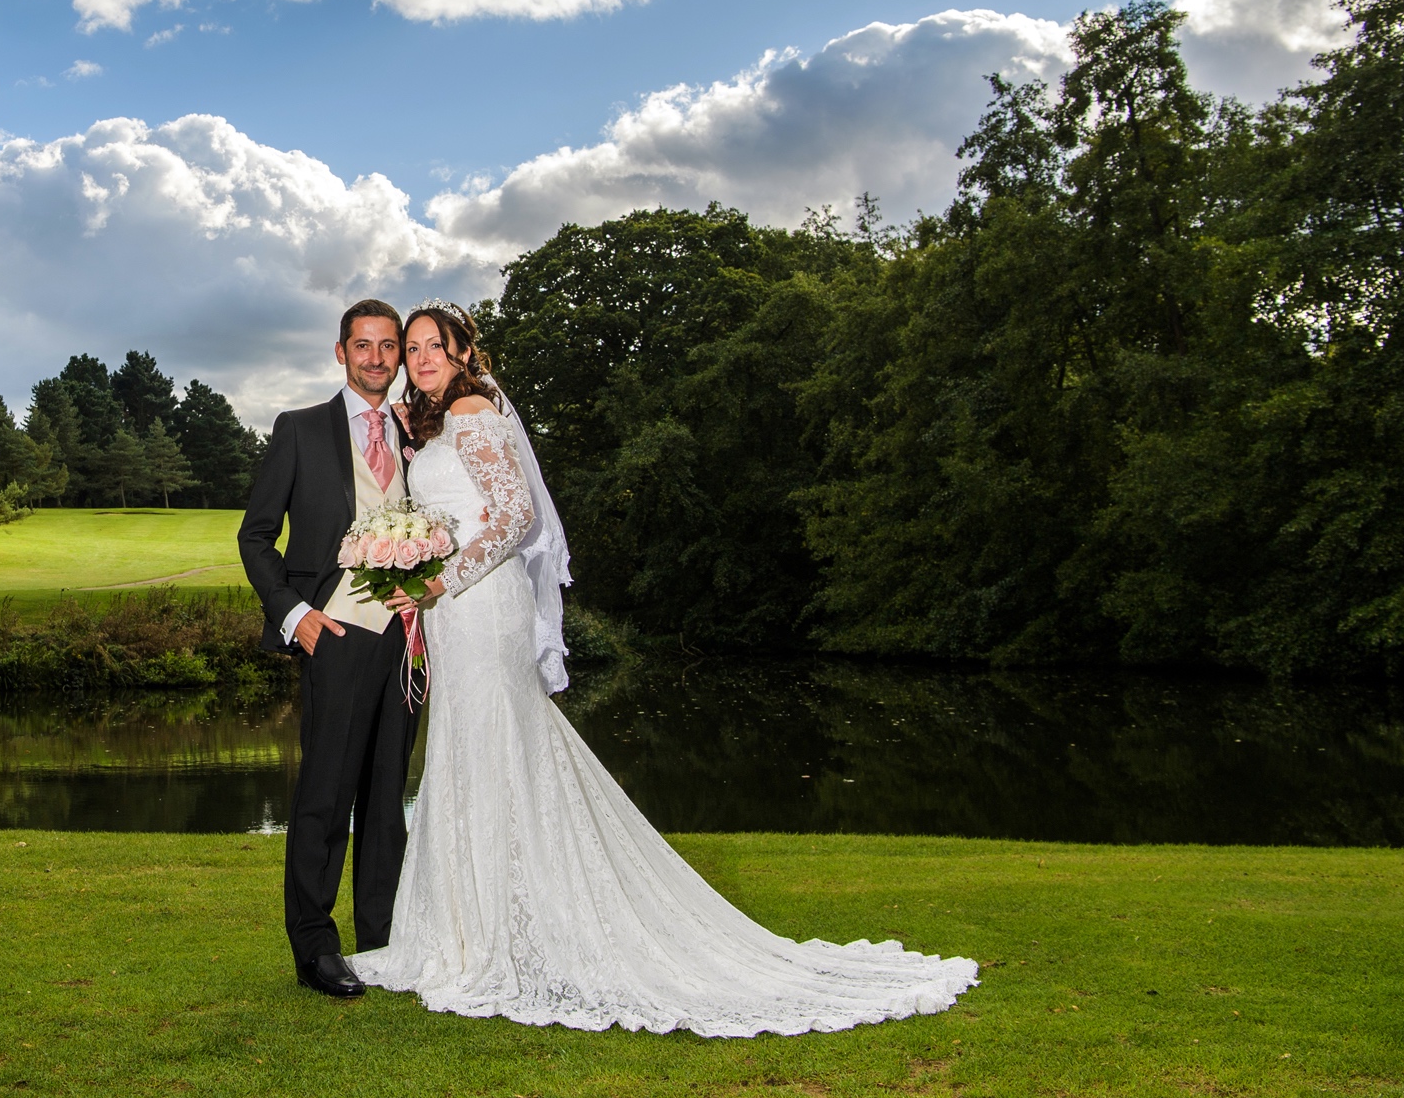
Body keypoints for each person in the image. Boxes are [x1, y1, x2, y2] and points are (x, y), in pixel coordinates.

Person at [350, 302, 981, 1035]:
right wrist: (415, 559)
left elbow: (517, 516)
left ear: (464, 353)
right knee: (472, 756)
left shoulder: (472, 411)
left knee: (494, 753)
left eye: (437, 345)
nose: (423, 356)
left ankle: (499, 937)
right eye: (415, 347)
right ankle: (464, 931)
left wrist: (442, 579)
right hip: (453, 617)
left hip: (482, 609)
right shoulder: (430, 419)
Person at [237, 298, 419, 999]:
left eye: (388, 346)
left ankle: (381, 937)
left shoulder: (416, 432)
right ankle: (314, 945)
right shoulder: (301, 430)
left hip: (405, 642)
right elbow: (255, 537)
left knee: (386, 797)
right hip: (335, 634)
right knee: (324, 795)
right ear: (339, 352)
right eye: (363, 345)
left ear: (399, 355)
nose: (377, 357)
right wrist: (294, 614)